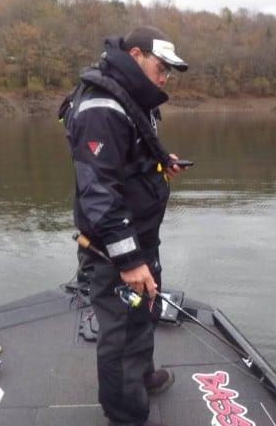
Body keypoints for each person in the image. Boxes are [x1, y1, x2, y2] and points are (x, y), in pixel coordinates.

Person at [58, 26, 189, 426]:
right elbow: (99, 192)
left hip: (142, 234)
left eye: (170, 70)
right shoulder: (100, 106)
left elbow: (130, 154)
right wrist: (129, 259)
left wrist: (160, 160)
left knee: (145, 309)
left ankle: (143, 376)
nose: (165, 76)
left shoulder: (133, 97)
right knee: (118, 329)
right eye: (160, 66)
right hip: (114, 246)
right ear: (135, 55)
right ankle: (125, 414)